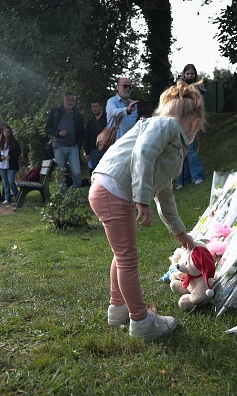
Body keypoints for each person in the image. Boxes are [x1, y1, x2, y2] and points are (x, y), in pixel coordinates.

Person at [89, 80, 205, 341]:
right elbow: (143, 154)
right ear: (195, 121)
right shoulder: (167, 126)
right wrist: (141, 198)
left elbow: (164, 190)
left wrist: (180, 233)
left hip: (106, 187)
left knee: (121, 256)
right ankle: (141, 320)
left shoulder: (167, 136)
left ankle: (117, 308)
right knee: (128, 259)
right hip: (114, 189)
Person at [44, 92, 85, 191]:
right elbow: (47, 128)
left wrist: (78, 145)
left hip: (73, 147)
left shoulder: (78, 115)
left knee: (77, 172)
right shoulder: (56, 112)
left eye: (72, 100)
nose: (70, 102)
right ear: (64, 100)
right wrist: (58, 132)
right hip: (58, 146)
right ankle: (62, 198)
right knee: (60, 173)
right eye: (68, 100)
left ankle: (76, 196)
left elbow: (82, 132)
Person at [177, 64, 205, 189]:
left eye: (191, 74)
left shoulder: (198, 89)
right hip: (180, 121)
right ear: (184, 74)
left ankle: (197, 176)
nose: (189, 76)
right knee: (181, 150)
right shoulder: (178, 87)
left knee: (191, 149)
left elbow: (198, 104)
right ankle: (182, 180)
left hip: (192, 121)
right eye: (187, 74)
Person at [105, 77, 139, 141]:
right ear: (117, 87)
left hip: (131, 143)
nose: (128, 88)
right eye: (125, 86)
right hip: (116, 144)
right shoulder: (112, 101)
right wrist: (127, 110)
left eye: (130, 87)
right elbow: (113, 112)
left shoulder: (133, 103)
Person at [0, 125, 21, 205]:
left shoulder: (14, 142)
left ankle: (18, 196)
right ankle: (7, 198)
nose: (7, 133)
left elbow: (18, 152)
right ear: (3, 132)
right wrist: (0, 157)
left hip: (11, 164)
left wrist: (11, 156)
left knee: (11, 181)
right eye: (5, 131)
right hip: (2, 164)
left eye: (8, 132)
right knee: (5, 182)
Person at [84, 99, 108, 175]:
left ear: (101, 107)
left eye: (96, 106)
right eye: (93, 107)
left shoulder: (107, 119)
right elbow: (87, 137)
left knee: (106, 171)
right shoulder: (90, 122)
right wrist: (87, 152)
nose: (95, 108)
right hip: (94, 151)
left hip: (106, 149)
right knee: (95, 172)